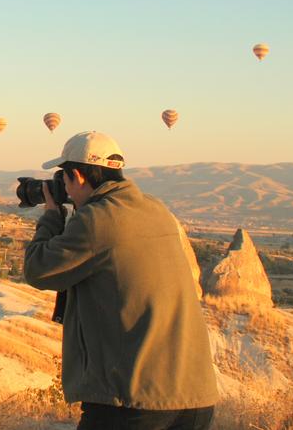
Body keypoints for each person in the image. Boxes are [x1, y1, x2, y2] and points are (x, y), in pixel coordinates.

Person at [24, 131, 218, 430]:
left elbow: (38, 270)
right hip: (194, 396)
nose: (63, 187)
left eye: (63, 178)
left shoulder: (99, 218)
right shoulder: (155, 209)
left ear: (77, 174)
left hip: (133, 399)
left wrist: (52, 216)